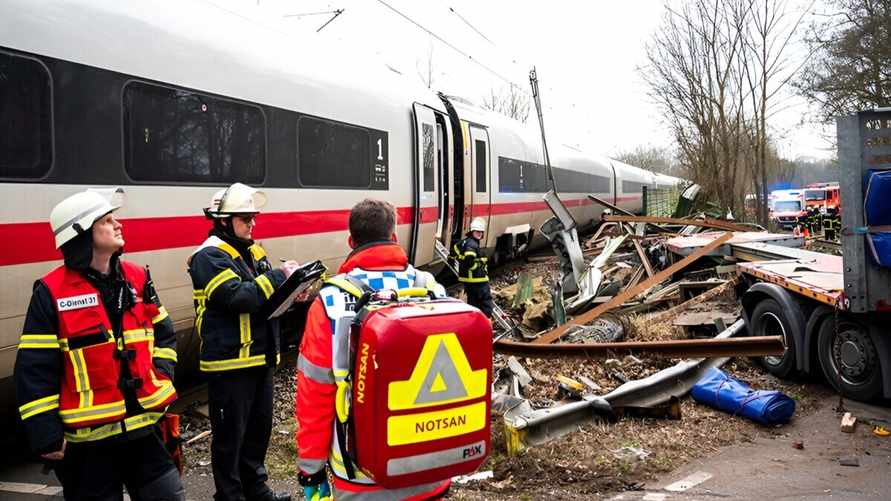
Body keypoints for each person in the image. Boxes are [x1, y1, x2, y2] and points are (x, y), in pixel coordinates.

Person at [14, 188, 184, 500]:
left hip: (145, 433)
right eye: (107, 220)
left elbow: (164, 333)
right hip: (87, 448)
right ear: (81, 234)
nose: (118, 225)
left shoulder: (136, 277)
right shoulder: (51, 292)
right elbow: (34, 367)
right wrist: (45, 434)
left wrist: (162, 374)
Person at [295, 199, 450, 501]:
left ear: (351, 241)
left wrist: (311, 469)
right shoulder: (432, 289)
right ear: (394, 237)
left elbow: (315, 393)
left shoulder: (330, 301)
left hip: (362, 479)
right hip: (432, 470)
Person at [187, 183, 298, 501]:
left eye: (253, 217)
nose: (252, 224)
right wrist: (279, 276)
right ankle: (231, 495)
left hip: (260, 358)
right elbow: (238, 297)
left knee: (257, 432)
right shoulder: (207, 256)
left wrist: (294, 292)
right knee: (230, 438)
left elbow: (266, 299)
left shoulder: (255, 251)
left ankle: (256, 489)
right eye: (245, 218)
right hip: (229, 363)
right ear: (223, 221)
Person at [452, 217, 494, 317]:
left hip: (470, 281)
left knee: (474, 305)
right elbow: (469, 260)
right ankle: (485, 327)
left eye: (481, 232)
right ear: (472, 231)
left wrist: (452, 256)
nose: (479, 234)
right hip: (477, 281)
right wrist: (476, 268)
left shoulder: (465, 242)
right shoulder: (472, 244)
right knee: (486, 308)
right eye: (477, 232)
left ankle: (476, 326)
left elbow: (455, 248)